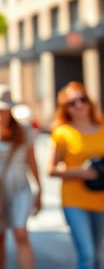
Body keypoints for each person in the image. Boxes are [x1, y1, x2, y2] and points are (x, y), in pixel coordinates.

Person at [0, 84, 41, 269]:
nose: (2, 111)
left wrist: (39, 190)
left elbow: (32, 161)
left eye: (5, 107)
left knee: (21, 233)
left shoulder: (23, 129)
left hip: (20, 187)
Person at [48, 81, 104, 269]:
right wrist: (78, 172)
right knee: (86, 254)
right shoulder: (63, 133)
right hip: (74, 200)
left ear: (89, 102)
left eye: (82, 100)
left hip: (101, 199)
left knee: (99, 256)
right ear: (65, 108)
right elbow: (51, 169)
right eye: (72, 103)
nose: (79, 105)